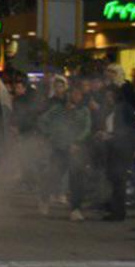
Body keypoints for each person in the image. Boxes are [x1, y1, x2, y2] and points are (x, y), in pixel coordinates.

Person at [37, 85, 92, 221]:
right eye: (74, 94)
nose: (77, 97)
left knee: (77, 180)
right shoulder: (58, 109)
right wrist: (50, 135)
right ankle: (44, 199)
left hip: (76, 150)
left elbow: (86, 128)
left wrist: (77, 142)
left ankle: (75, 209)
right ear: (69, 94)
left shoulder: (84, 111)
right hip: (60, 148)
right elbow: (43, 121)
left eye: (79, 94)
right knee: (53, 175)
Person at [97, 86, 135, 221]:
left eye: (110, 96)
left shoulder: (124, 108)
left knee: (118, 180)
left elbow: (127, 131)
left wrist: (110, 136)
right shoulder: (115, 109)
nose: (108, 99)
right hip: (114, 148)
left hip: (121, 149)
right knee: (115, 180)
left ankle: (118, 212)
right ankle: (115, 209)